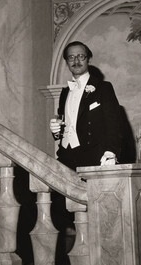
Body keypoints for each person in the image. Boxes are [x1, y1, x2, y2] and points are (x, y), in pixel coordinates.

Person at [49, 41, 122, 169]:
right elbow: (65, 126)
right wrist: (56, 131)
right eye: (71, 57)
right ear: (67, 62)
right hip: (66, 157)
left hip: (94, 157)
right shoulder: (65, 92)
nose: (76, 61)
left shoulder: (103, 88)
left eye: (81, 56)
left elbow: (114, 124)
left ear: (88, 59)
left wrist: (111, 151)